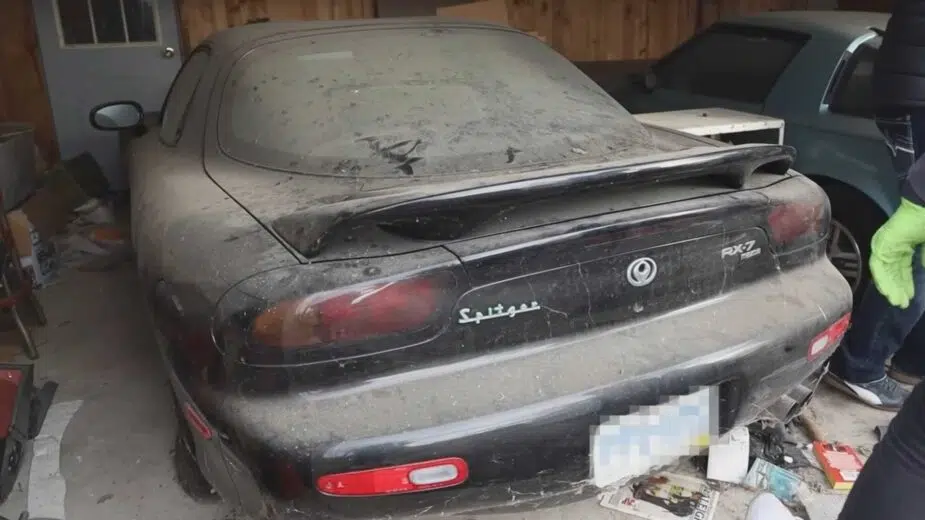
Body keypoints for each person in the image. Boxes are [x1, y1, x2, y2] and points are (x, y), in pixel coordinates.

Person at [824, 1, 925, 410]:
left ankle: (909, 359)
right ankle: (859, 367)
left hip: (910, 91)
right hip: (919, 100)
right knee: (914, 247)